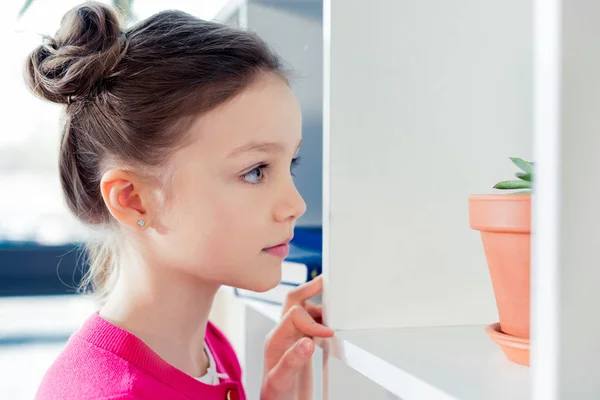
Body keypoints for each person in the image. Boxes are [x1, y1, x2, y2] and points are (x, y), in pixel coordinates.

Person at [26, 2, 334, 399]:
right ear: (134, 200)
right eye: (255, 171)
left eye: (290, 163)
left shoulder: (210, 351)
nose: (295, 205)